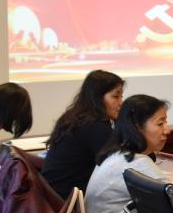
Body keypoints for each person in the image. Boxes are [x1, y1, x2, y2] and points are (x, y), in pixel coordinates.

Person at [86, 94, 173, 213]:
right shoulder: (136, 162)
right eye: (160, 123)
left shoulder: (115, 155)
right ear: (137, 127)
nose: (167, 130)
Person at [42, 70, 124, 198]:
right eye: (115, 97)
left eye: (121, 97)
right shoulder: (95, 126)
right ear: (97, 97)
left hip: (52, 192)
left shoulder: (76, 117)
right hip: (68, 199)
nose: (120, 103)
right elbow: (119, 166)